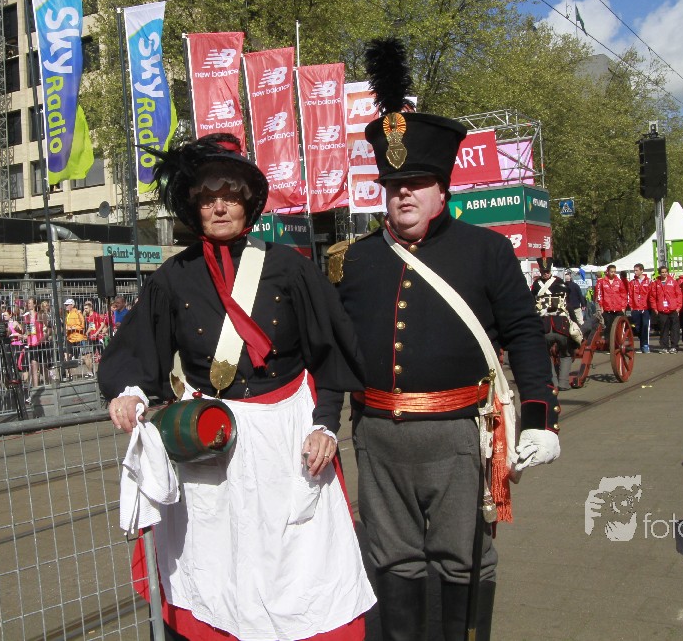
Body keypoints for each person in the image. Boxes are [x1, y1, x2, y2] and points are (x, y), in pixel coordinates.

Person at [99, 132, 374, 641]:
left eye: (230, 196)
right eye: (208, 198)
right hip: (211, 437)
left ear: (248, 203)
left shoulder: (291, 268)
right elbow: (138, 351)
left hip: (285, 433)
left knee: (299, 561)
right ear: (194, 207)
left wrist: (324, 425)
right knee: (216, 559)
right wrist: (130, 390)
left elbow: (328, 356)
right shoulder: (172, 278)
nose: (220, 206)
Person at [333, 40, 558, 641]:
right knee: (392, 560)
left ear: (442, 189)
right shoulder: (356, 260)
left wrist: (540, 418)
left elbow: (525, 335)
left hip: (459, 435)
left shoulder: (486, 251)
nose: (403, 193)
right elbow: (334, 350)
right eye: (393, 184)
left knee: (464, 560)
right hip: (377, 437)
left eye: (416, 182)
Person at [648, 265, 682, 354]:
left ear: (668, 272)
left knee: (675, 329)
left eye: (665, 272)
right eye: (662, 272)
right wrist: (655, 308)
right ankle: (664, 347)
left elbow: (678, 294)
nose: (664, 274)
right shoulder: (656, 283)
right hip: (661, 310)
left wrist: (678, 307)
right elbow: (652, 297)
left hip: (673, 309)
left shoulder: (673, 282)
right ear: (660, 273)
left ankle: (674, 346)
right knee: (663, 329)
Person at [594, 264, 628, 341]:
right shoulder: (602, 282)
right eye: (611, 271)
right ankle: (608, 342)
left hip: (618, 308)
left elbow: (623, 295)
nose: (613, 273)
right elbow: (600, 295)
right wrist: (601, 306)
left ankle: (617, 342)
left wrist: (623, 307)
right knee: (608, 327)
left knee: (618, 327)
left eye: (614, 272)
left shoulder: (619, 282)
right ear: (608, 272)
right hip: (607, 308)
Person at [627, 263, 652, 352]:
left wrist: (651, 306)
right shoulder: (632, 282)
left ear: (642, 270)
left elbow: (651, 295)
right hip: (635, 308)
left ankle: (645, 345)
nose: (635, 272)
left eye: (636, 270)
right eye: (634, 270)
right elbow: (630, 295)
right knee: (637, 327)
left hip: (646, 308)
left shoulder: (649, 281)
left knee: (645, 326)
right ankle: (642, 342)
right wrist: (631, 306)